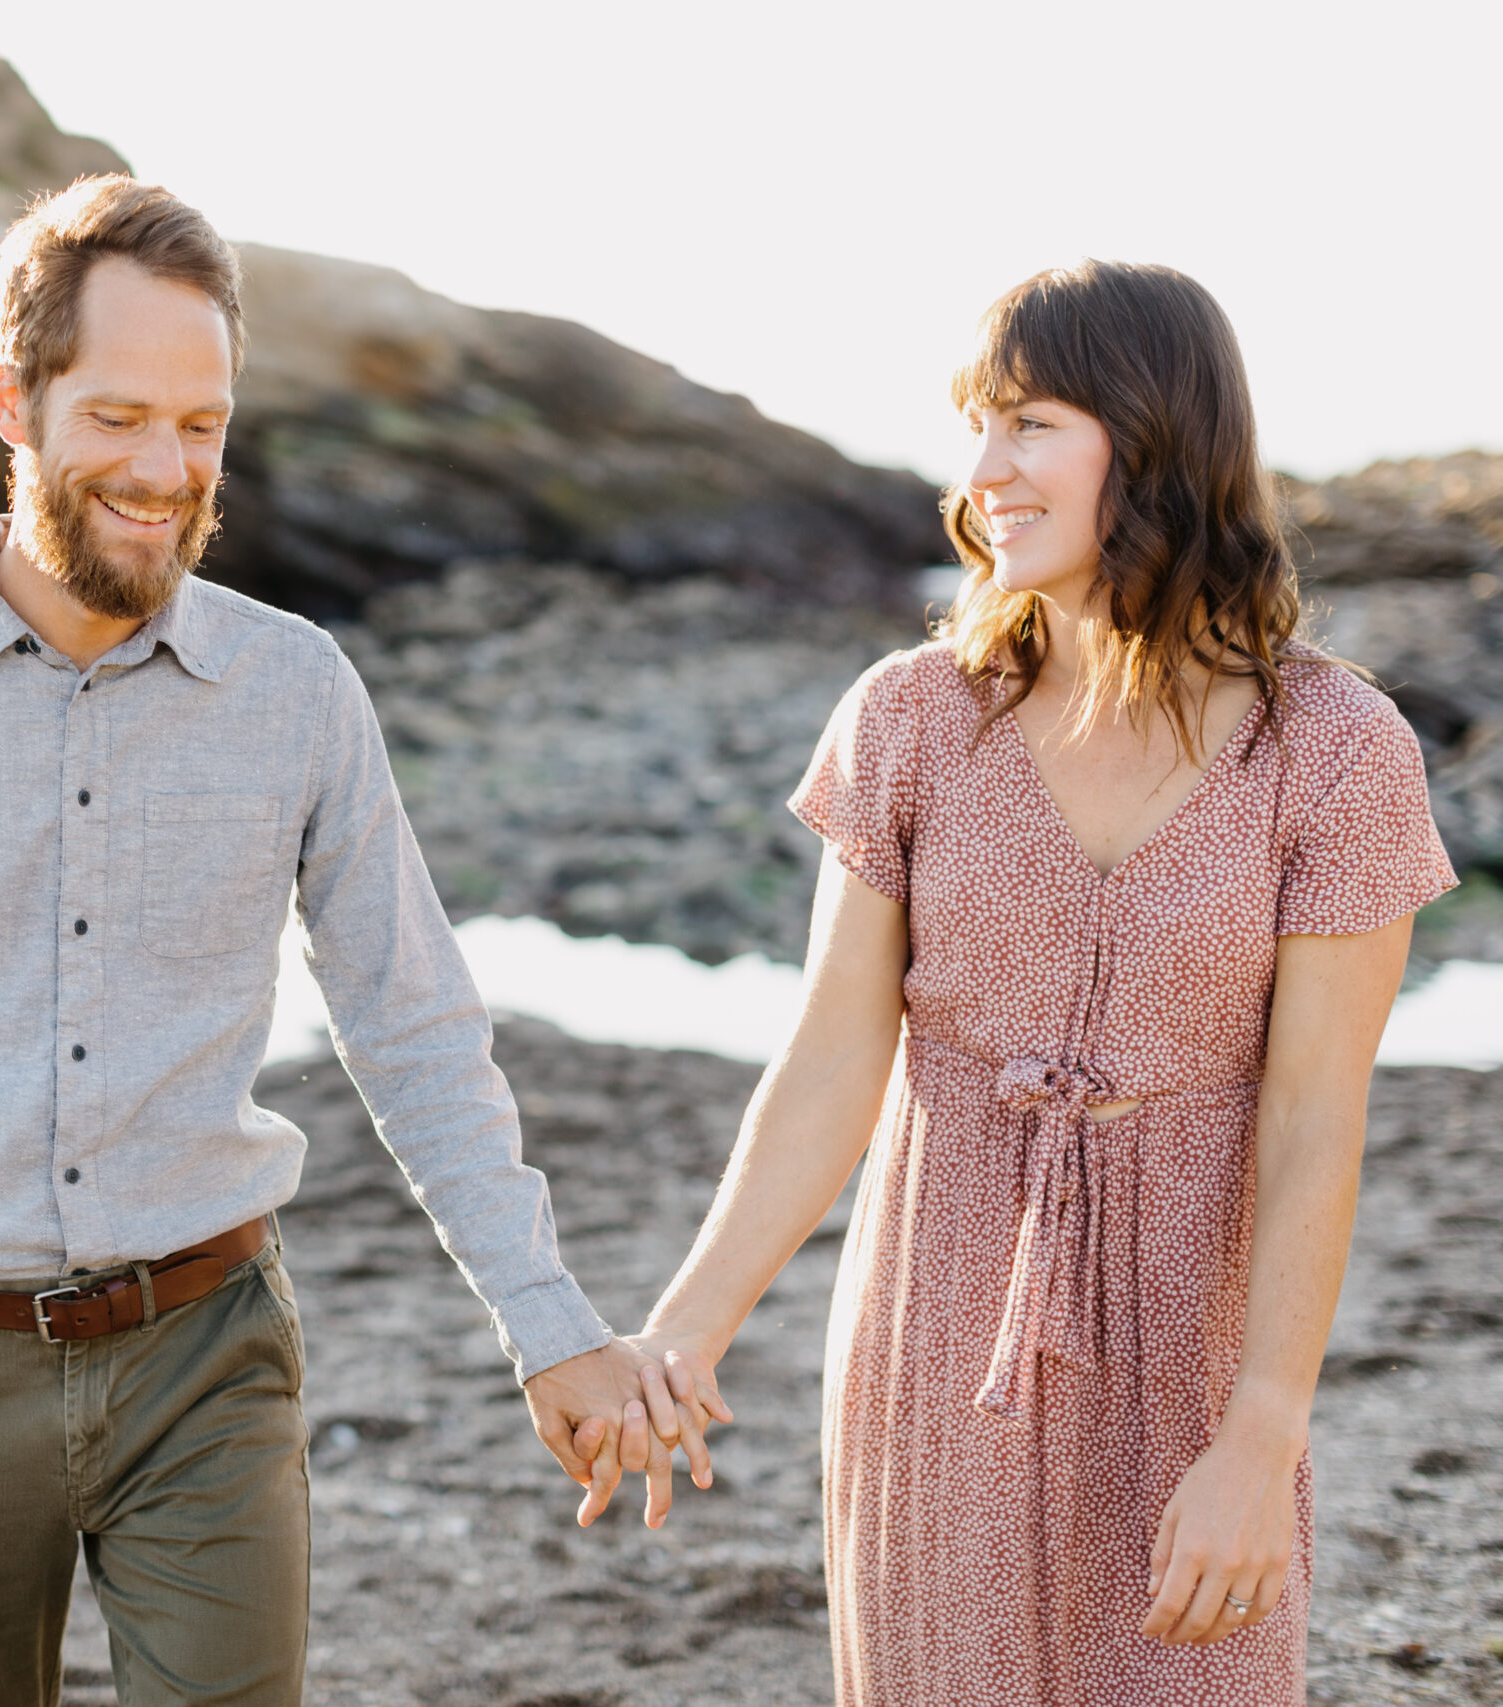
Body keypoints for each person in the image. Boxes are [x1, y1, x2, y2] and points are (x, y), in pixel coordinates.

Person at [0, 174, 654, 1707]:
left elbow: (412, 1027)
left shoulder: (297, 693)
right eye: (119, 418)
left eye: (204, 425)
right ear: (14, 403)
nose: (167, 470)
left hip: (206, 1361)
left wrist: (548, 1325)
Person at [610, 261, 1456, 1704]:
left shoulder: (1336, 748)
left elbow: (1316, 1118)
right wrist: (682, 1330)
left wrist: (1263, 1435)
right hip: (937, 1333)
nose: (982, 475)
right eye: (977, 428)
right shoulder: (911, 721)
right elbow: (829, 1063)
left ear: (1154, 435)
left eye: (1032, 425)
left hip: (1194, 1356)